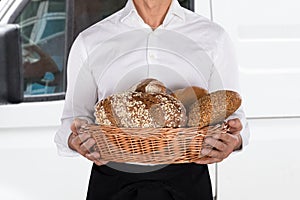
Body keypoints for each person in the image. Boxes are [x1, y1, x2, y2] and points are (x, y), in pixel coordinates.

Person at [55, 0, 250, 199]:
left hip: (188, 181)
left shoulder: (213, 38)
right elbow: (72, 122)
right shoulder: (91, 41)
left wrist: (233, 140)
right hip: (113, 183)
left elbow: (235, 118)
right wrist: (75, 140)